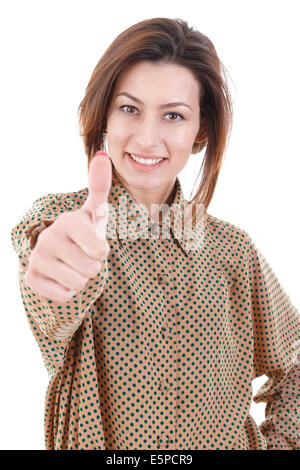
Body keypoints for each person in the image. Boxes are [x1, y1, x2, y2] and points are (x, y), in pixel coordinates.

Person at [11, 17, 299, 450]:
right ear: (104, 114)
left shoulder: (232, 251)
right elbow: (49, 294)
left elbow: (293, 358)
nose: (147, 138)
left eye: (173, 116)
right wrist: (55, 258)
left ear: (200, 130)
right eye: (129, 108)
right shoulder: (62, 221)